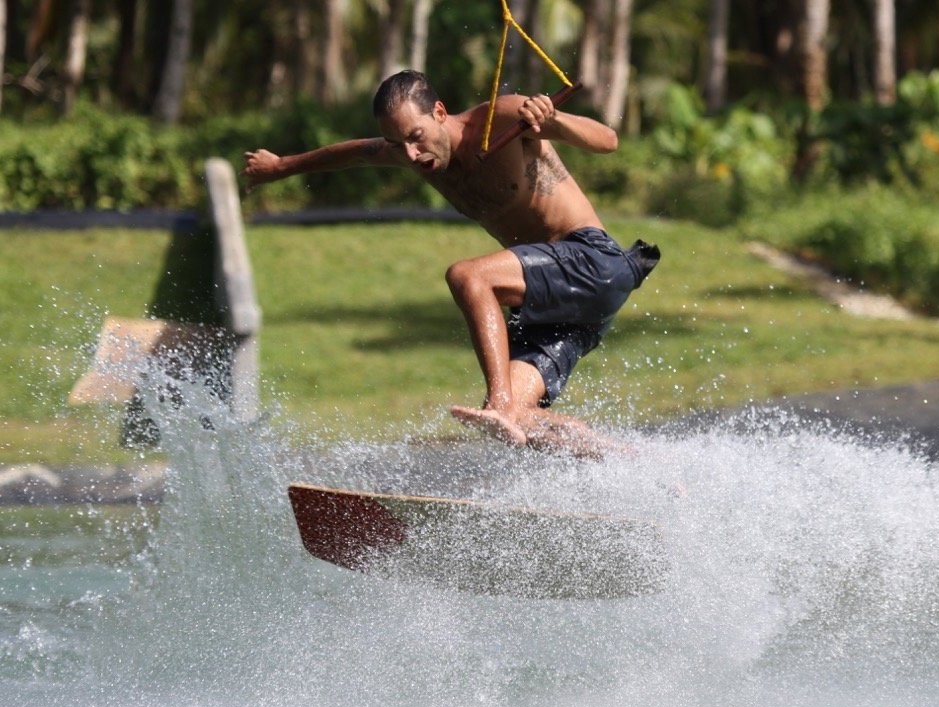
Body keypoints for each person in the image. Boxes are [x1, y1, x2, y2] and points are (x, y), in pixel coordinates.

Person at [242, 70, 659, 458]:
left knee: (468, 277)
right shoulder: (411, 153)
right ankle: (631, 465)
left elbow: (607, 140)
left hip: (593, 260)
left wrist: (554, 121)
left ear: (439, 113)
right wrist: (280, 167)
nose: (410, 153)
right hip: (558, 300)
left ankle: (499, 405)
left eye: (416, 136)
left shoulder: (505, 118)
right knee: (518, 417)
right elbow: (355, 153)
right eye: (397, 145)